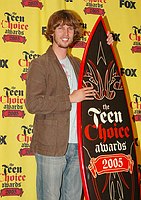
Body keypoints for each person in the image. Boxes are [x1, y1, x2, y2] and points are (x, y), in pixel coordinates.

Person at [25, 9, 113, 200]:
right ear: (51, 32)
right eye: (60, 28)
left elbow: (100, 85)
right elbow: (33, 103)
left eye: (70, 29)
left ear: (75, 33)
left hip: (79, 144)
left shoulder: (78, 64)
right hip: (51, 146)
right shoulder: (40, 64)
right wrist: (69, 98)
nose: (65, 33)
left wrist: (106, 48)